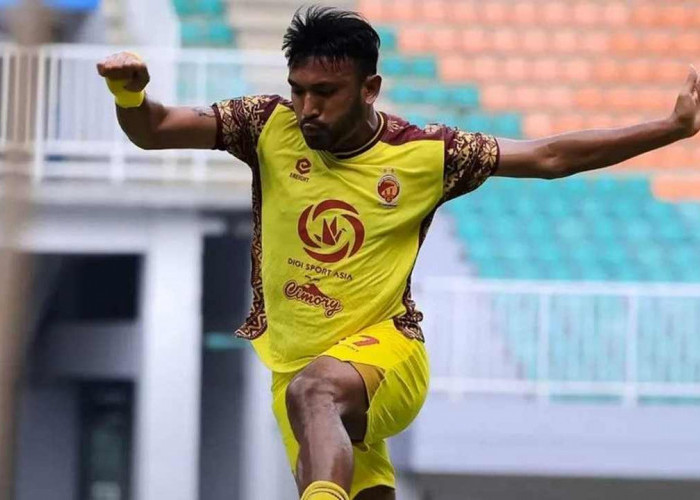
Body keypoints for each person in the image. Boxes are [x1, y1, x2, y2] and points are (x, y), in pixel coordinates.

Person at [97, 5, 700, 500]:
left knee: (316, 392)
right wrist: (130, 94)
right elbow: (155, 129)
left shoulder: (426, 153)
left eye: (326, 93)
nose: (307, 109)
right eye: (298, 91)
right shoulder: (264, 125)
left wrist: (670, 128)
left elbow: (549, 157)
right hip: (295, 370)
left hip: (385, 357)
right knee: (318, 413)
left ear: (370, 89)